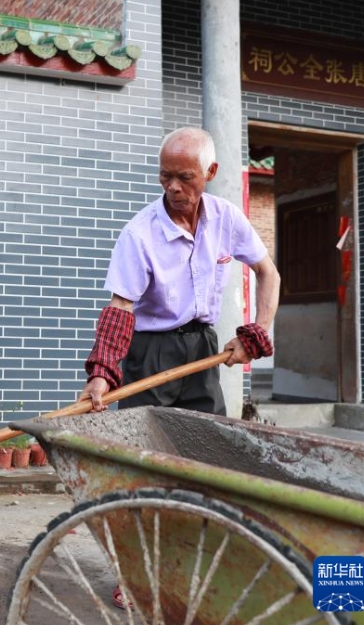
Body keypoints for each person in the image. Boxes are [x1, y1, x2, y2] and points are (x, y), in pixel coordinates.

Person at [78, 126, 280, 609]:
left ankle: (192, 562)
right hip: (149, 352)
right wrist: (103, 371)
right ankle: (136, 572)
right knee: (143, 467)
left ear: (209, 174)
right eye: (165, 176)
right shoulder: (140, 232)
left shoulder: (226, 218)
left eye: (184, 177)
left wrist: (257, 332)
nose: (173, 187)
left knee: (205, 458)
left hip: (203, 349)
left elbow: (268, 272)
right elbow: (119, 309)